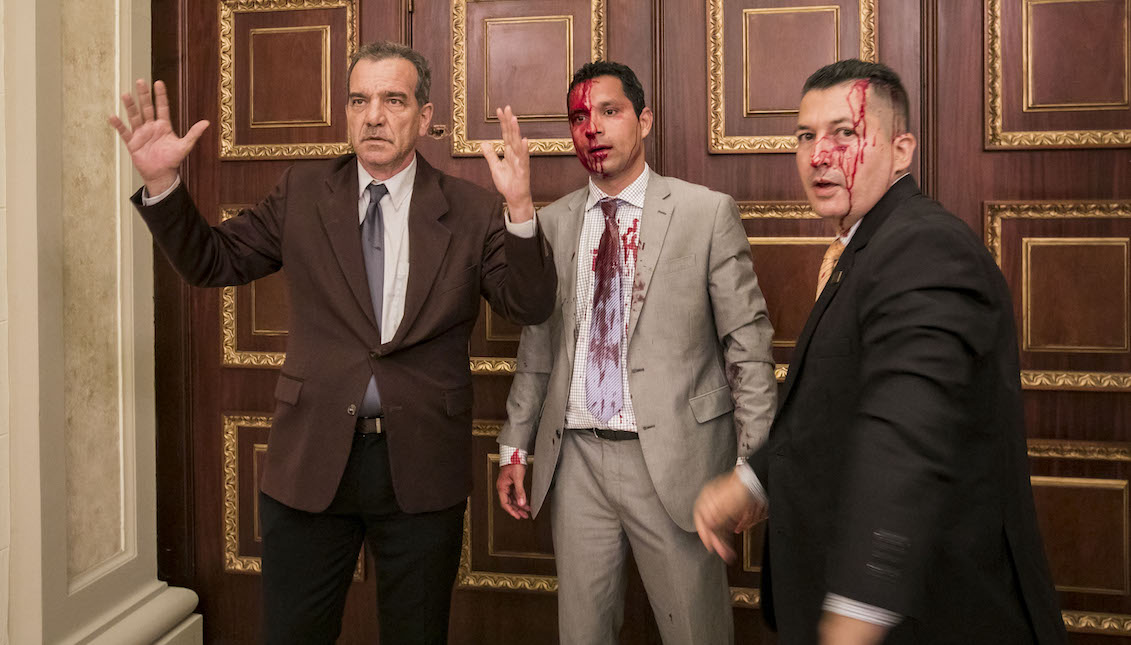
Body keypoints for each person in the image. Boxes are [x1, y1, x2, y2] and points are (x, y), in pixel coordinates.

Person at [109, 41, 555, 645]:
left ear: (424, 117)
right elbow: (213, 262)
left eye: (393, 100)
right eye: (359, 100)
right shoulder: (302, 192)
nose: (374, 115)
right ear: (347, 112)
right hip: (311, 459)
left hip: (420, 466)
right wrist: (163, 184)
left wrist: (521, 209)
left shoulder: (473, 209)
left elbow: (528, 305)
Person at [692, 60, 1066, 645]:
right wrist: (753, 483)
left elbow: (907, 430)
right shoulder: (866, 244)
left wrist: (860, 604)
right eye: (806, 136)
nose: (819, 155)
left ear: (901, 149)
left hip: (925, 614)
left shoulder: (925, 246)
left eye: (845, 133)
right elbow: (833, 404)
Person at [495, 60, 777, 644]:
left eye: (609, 111)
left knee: (695, 632)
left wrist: (755, 467)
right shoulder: (550, 223)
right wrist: (514, 447)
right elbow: (538, 349)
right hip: (575, 461)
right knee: (581, 633)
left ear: (643, 119)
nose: (592, 128)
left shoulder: (705, 213)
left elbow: (746, 346)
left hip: (678, 460)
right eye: (579, 117)